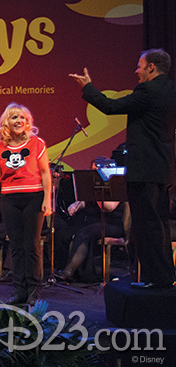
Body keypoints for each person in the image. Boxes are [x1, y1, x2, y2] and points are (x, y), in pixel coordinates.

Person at [70, 48, 176, 289]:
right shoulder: (171, 90)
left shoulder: (147, 90)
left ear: (151, 67)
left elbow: (110, 107)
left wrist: (88, 87)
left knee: (146, 226)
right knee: (158, 225)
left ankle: (154, 280)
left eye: (139, 65)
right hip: (163, 170)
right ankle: (165, 277)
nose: (136, 71)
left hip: (145, 170)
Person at [0, 103, 52, 304]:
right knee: (15, 246)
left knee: (31, 245)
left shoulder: (36, 144)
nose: (19, 121)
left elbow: (45, 173)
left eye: (22, 118)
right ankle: (19, 290)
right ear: (7, 122)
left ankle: (34, 290)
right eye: (14, 117)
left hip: (34, 198)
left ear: (27, 122)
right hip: (9, 200)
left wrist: (48, 199)